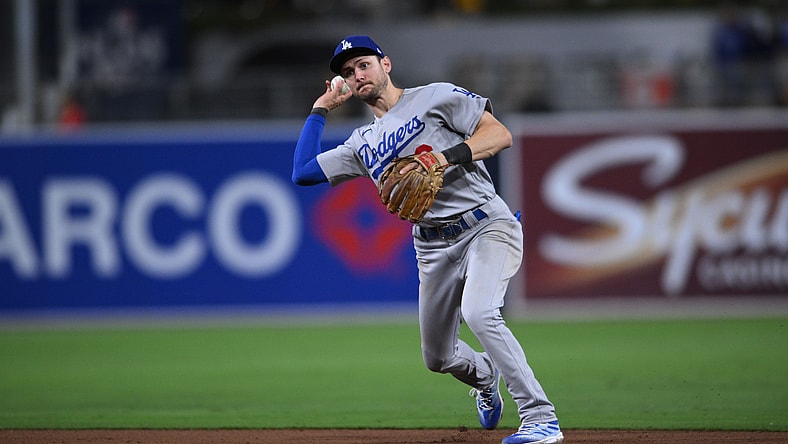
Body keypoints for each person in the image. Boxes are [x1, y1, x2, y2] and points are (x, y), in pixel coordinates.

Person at [292, 35, 563, 444]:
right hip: (432, 246)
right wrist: (319, 109)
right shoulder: (361, 143)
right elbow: (303, 171)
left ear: (386, 64)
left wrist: (442, 157)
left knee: (480, 312)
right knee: (438, 357)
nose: (356, 75)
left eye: (363, 64)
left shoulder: (435, 97)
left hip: (485, 225)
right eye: (347, 72)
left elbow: (499, 135)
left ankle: (542, 418)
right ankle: (486, 376)